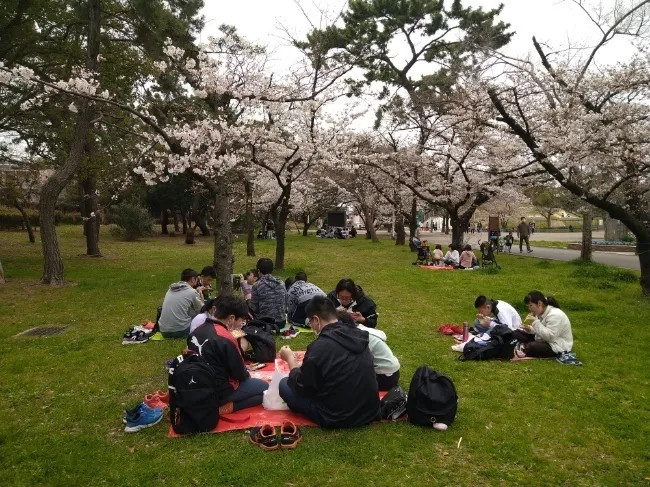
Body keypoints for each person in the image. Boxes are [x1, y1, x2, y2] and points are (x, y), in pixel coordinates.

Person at [278, 296, 381, 428]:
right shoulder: (357, 334)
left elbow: (302, 386)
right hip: (368, 410)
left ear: (316, 319)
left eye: (310, 322)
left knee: (284, 385)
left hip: (337, 416)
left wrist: (290, 361)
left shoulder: (319, 347)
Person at [186, 295, 268, 413]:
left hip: (197, 386)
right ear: (231, 318)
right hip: (220, 391)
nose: (241, 325)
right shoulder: (226, 337)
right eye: (241, 321)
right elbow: (240, 374)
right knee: (265, 389)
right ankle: (224, 408)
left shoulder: (196, 331)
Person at [337, 311, 400, 391]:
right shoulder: (359, 329)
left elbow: (356, 362)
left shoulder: (358, 336)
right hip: (391, 371)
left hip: (385, 376)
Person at [512, 291, 573, 358]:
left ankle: (522, 346)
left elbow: (550, 337)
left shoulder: (555, 315)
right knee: (516, 333)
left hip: (556, 345)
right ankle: (521, 346)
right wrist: (529, 329)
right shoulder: (540, 311)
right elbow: (539, 330)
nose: (530, 309)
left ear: (539, 303)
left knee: (531, 347)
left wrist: (535, 322)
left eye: (531, 305)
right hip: (542, 339)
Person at [158, 268, 204, 338]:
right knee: (200, 316)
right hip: (181, 331)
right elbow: (202, 309)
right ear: (193, 279)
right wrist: (200, 293)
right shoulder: (191, 292)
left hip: (163, 331)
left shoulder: (170, 290)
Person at [249, 258, 287, 327]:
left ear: (258, 271)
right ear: (272, 270)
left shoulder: (257, 285)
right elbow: (285, 302)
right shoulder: (281, 283)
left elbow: (254, 308)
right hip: (281, 322)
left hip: (265, 323)